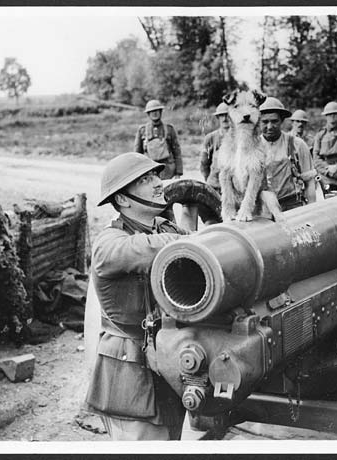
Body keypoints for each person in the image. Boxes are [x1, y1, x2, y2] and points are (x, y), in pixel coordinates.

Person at [84, 152, 188, 440]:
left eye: (156, 175)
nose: (158, 184)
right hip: (129, 369)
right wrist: (189, 240)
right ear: (122, 199)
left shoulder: (164, 228)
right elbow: (140, 249)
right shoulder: (109, 241)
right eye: (145, 179)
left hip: (165, 358)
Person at [258, 97, 318, 210]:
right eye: (265, 122)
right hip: (263, 207)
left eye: (274, 121)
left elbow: (310, 182)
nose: (270, 126)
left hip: (292, 205)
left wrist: (312, 210)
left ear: (281, 120)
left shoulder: (297, 144)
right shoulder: (253, 148)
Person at [134, 99, 183, 180]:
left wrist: (178, 173)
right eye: (152, 111)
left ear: (161, 112)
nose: (155, 113)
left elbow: (177, 151)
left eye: (157, 110)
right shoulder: (142, 130)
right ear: (148, 114)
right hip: (149, 169)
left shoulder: (169, 129)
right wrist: (137, 172)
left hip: (168, 170)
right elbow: (137, 154)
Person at [199, 102, 230, 193]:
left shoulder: (239, 137)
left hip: (234, 187)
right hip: (215, 185)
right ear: (218, 118)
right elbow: (204, 163)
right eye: (221, 116)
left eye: (227, 115)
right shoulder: (211, 138)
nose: (224, 119)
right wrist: (209, 178)